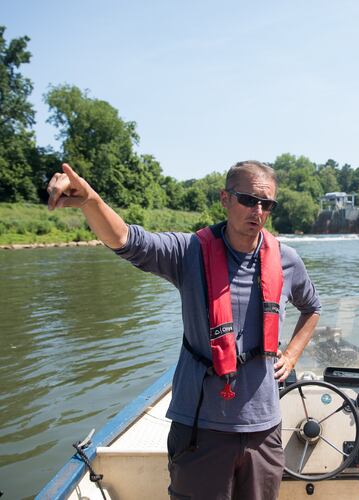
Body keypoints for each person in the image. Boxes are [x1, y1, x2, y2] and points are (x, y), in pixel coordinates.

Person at [47, 160, 321, 500]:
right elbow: (127, 240)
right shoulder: (189, 252)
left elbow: (312, 307)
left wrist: (292, 355)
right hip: (200, 427)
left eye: (267, 204)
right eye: (249, 200)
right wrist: (90, 200)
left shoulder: (287, 259)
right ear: (225, 198)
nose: (259, 211)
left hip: (263, 429)